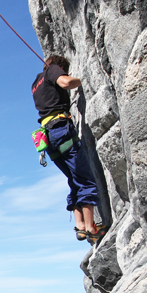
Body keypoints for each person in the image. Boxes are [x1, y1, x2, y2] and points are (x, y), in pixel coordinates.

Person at [31, 54, 101, 243]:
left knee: (73, 179)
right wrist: (82, 78)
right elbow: (66, 82)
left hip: (47, 137)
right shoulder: (52, 71)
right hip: (61, 129)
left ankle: (80, 227)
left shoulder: (36, 83)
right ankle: (91, 228)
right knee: (84, 179)